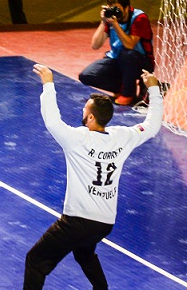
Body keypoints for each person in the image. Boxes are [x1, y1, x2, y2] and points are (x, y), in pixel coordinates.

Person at [24, 64, 163, 289]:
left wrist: (48, 84)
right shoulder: (123, 136)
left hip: (77, 221)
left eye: (84, 110)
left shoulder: (77, 139)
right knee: (84, 253)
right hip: (104, 222)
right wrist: (154, 91)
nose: (83, 112)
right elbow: (152, 125)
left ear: (90, 117)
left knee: (36, 260)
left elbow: (52, 121)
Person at [78, 0, 154, 106]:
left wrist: (115, 25)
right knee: (86, 76)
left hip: (140, 62)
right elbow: (95, 45)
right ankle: (122, 87)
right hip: (118, 60)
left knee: (126, 53)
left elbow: (129, 45)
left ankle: (128, 94)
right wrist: (104, 22)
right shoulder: (111, 19)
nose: (115, 12)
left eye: (118, 9)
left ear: (127, 7)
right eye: (112, 9)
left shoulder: (139, 18)